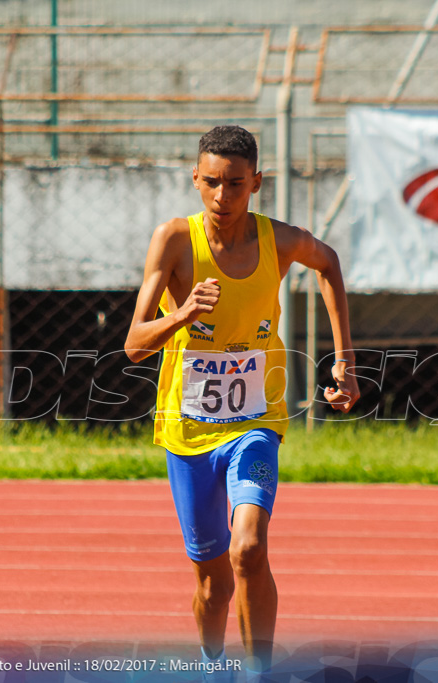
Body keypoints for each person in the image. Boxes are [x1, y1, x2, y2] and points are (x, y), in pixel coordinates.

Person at [125, 125, 360, 680]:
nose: (221, 198)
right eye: (210, 183)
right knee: (212, 584)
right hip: (187, 433)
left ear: (256, 182)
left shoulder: (278, 240)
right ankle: (212, 664)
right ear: (195, 178)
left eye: (235, 184)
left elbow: (328, 265)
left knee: (249, 548)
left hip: (255, 424)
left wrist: (344, 361)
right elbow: (135, 345)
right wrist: (182, 314)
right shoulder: (175, 241)